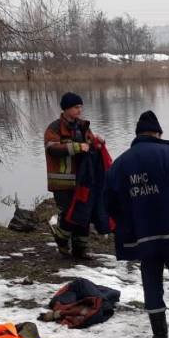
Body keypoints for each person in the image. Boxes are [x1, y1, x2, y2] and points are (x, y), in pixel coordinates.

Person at [104, 110, 169, 338]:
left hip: (142, 238)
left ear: (138, 135)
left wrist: (127, 222)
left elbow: (109, 201)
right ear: (158, 133)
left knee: (151, 284)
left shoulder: (121, 164)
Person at [44, 92, 103, 258]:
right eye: (76, 107)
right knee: (69, 215)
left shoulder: (83, 126)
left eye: (80, 107)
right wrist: (77, 147)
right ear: (66, 108)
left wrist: (98, 141)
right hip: (62, 182)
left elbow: (90, 143)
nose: (80, 110)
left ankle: (80, 251)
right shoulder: (54, 128)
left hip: (83, 179)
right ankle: (62, 241)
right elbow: (52, 149)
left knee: (83, 214)